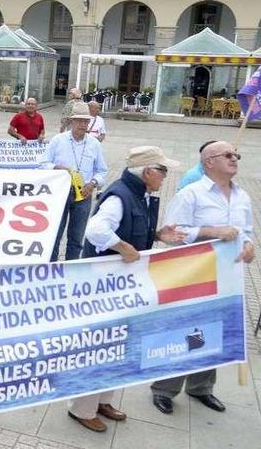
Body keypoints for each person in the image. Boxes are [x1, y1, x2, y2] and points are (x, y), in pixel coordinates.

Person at [78, 145, 184, 432]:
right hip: (104, 286)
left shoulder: (139, 194)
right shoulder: (121, 195)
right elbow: (96, 230)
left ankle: (103, 399)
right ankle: (82, 408)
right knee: (99, 346)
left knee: (118, 344)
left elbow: (132, 231)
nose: (165, 176)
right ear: (148, 172)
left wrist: (157, 235)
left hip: (123, 286)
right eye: (162, 171)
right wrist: (123, 247)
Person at [150, 140, 254, 415]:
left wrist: (249, 247)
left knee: (214, 332)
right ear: (209, 162)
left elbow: (248, 232)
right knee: (184, 331)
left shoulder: (243, 196)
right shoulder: (191, 194)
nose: (235, 159)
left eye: (236, 155)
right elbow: (173, 234)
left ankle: (201, 387)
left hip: (227, 278)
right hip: (194, 275)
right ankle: (164, 389)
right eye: (228, 155)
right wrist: (212, 231)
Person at [41, 102, 108, 261]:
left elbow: (103, 171)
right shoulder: (58, 140)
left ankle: (71, 270)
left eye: (86, 121)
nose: (83, 124)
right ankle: (51, 269)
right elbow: (43, 164)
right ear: (71, 121)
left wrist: (92, 184)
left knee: (77, 237)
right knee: (55, 234)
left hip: (84, 194)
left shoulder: (94, 144)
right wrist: (58, 168)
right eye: (79, 121)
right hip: (60, 193)